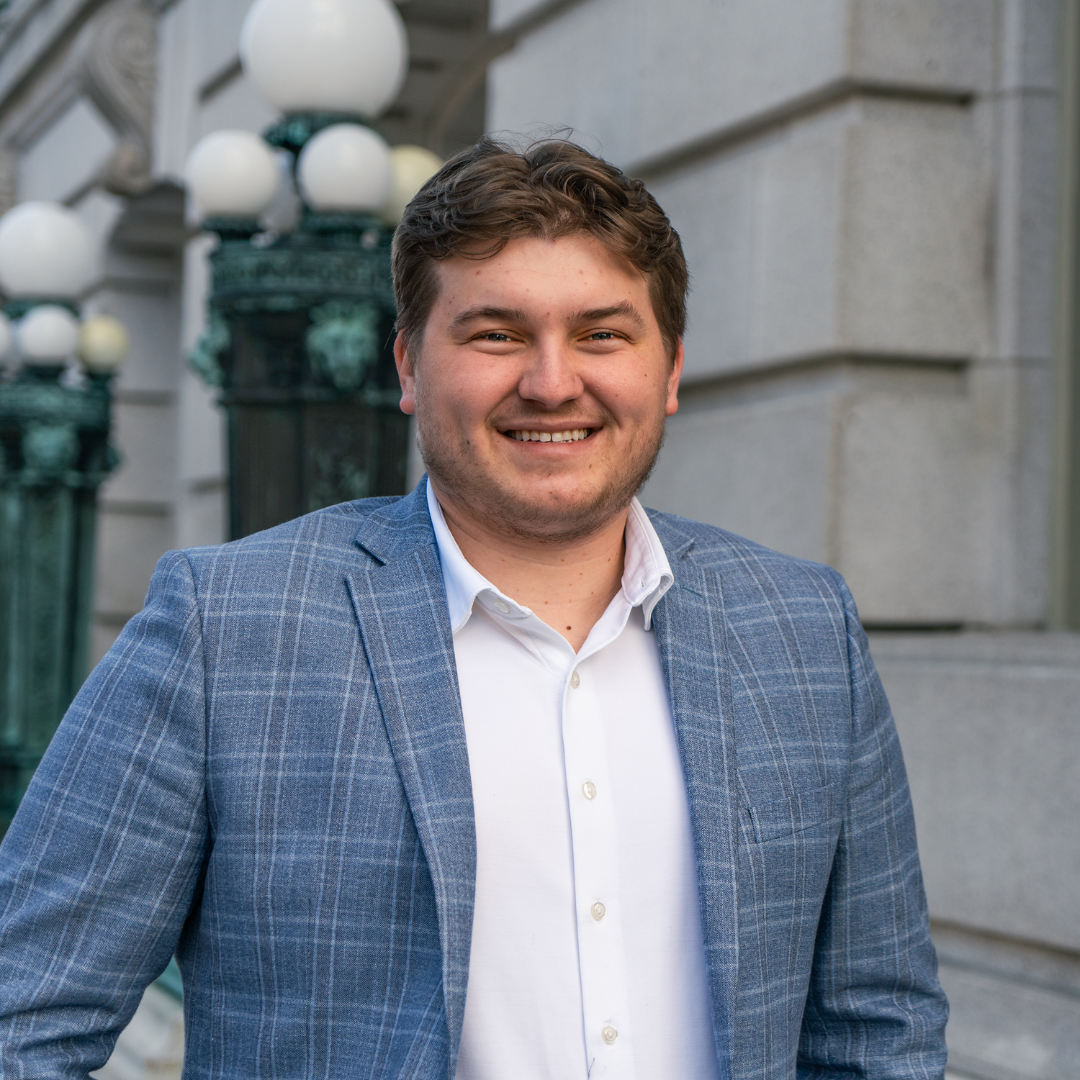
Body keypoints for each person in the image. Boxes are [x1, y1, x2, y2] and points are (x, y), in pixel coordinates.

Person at [0, 137, 947, 1079]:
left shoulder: (804, 630)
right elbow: (24, 1018)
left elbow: (877, 1027)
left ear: (668, 370)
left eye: (602, 334)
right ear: (409, 366)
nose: (551, 381)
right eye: (496, 333)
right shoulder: (228, 627)